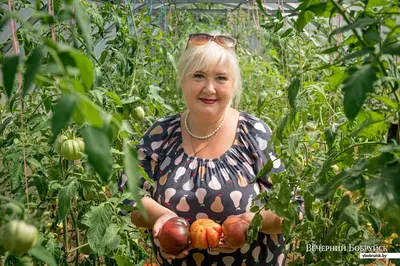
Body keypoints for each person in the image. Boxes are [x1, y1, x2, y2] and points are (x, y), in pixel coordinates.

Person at [121, 33, 303, 266]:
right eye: (198, 75)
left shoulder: (254, 133)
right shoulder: (160, 135)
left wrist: (252, 222)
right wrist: (162, 217)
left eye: (221, 78)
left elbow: (294, 207)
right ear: (182, 79)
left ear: (233, 84)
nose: (209, 88)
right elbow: (128, 199)